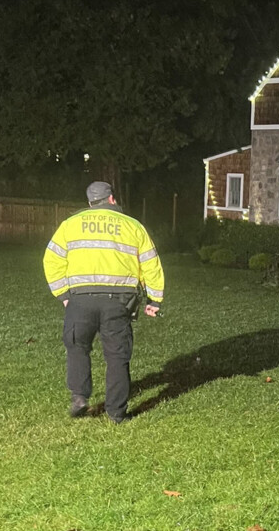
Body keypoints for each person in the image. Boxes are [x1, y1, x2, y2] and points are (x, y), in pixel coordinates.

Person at [42, 181, 164, 423]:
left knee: (77, 347)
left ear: (89, 202)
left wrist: (64, 295)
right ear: (112, 199)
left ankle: (79, 397)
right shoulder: (133, 226)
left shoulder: (70, 225)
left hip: (80, 299)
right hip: (118, 302)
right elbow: (150, 263)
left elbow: (52, 260)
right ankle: (117, 413)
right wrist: (155, 299)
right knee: (117, 355)